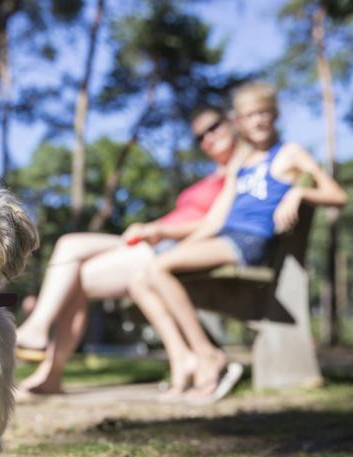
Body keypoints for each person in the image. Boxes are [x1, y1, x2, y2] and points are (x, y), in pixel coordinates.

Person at [128, 82, 348, 401]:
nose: (257, 121)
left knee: (160, 268)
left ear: (274, 115)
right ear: (240, 122)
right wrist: (169, 238)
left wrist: (300, 192)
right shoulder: (241, 163)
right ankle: (184, 362)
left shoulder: (288, 153)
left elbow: (337, 195)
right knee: (144, 276)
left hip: (250, 242)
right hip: (226, 237)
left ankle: (209, 356)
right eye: (249, 116)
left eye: (263, 113)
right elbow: (215, 220)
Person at [15, 105, 241, 397]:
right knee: (69, 244)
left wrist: (159, 231)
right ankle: (39, 335)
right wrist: (152, 228)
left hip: (172, 245)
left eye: (214, 127)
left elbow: (216, 224)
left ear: (232, 122)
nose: (208, 138)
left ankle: (47, 364)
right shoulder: (211, 177)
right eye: (199, 137)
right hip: (154, 237)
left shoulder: (240, 172)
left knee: (77, 275)